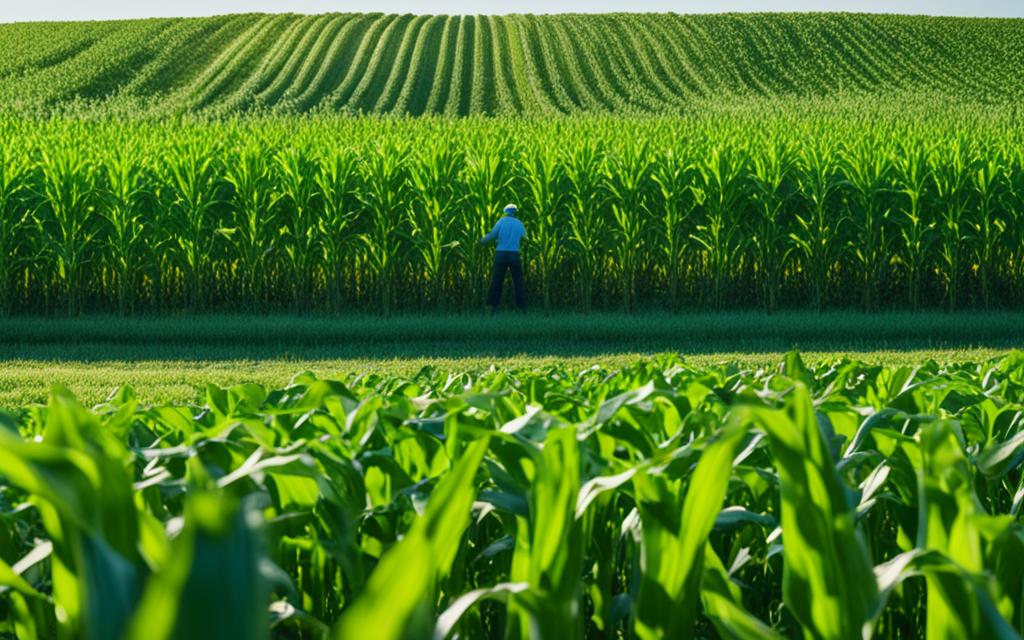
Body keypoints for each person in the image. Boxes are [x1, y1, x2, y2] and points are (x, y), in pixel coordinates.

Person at [480, 203, 526, 313]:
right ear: (515, 212)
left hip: (501, 254)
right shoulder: (519, 224)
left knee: (497, 281)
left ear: (506, 212)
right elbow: (524, 238)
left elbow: (492, 235)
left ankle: (491, 307)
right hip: (515, 254)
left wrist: (481, 241)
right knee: (518, 282)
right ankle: (521, 308)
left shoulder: (501, 221)